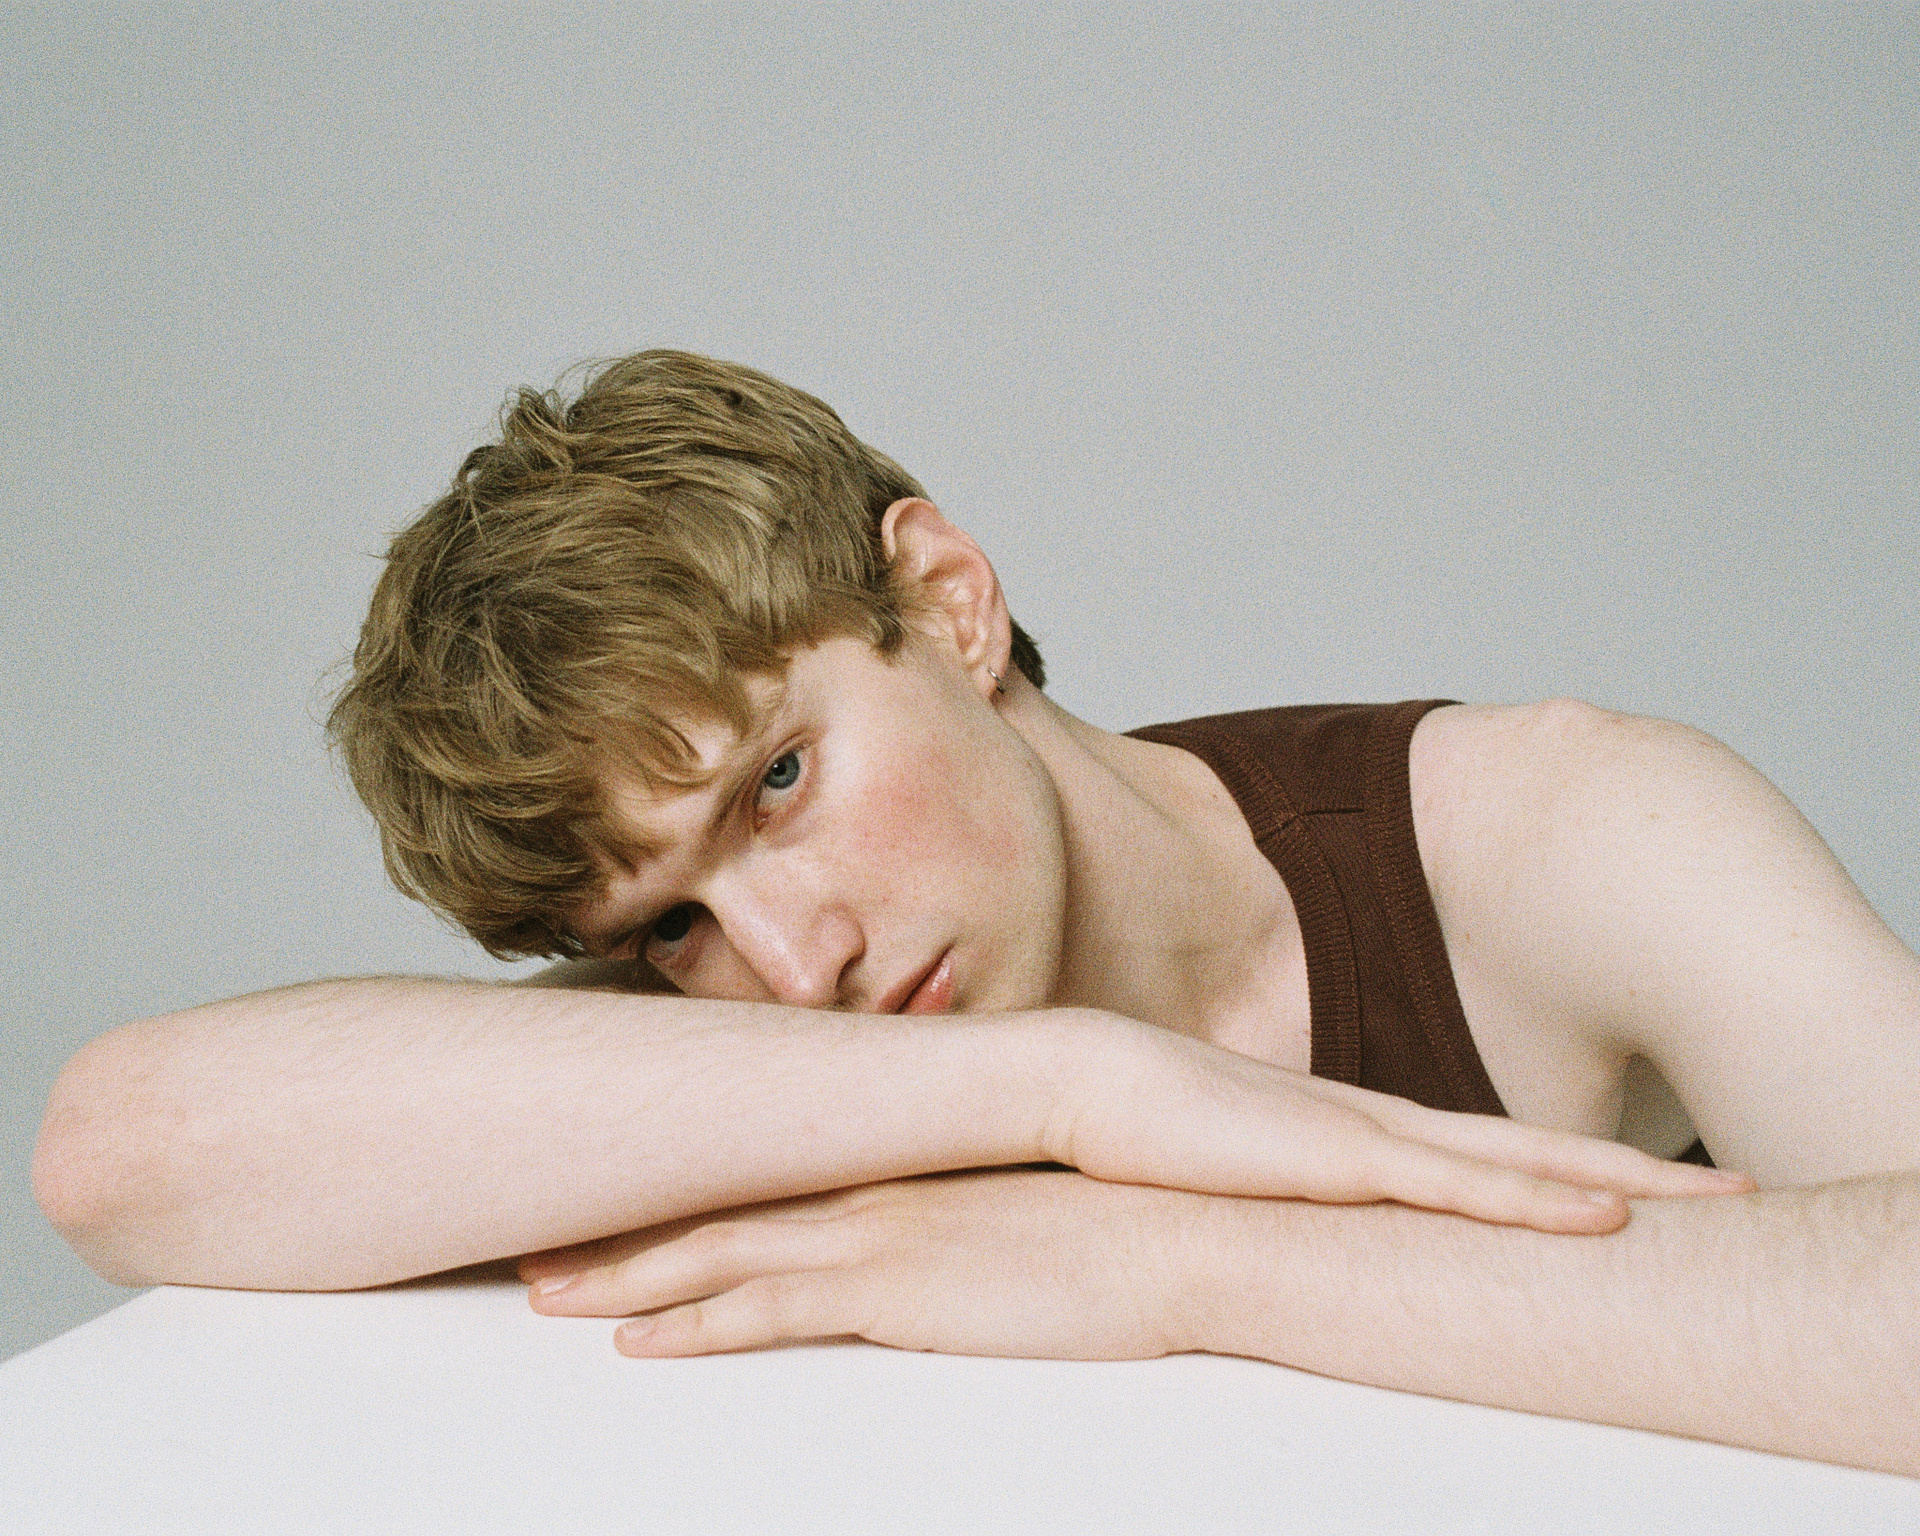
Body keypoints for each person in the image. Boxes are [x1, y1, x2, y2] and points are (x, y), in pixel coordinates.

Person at [34, 351, 1919, 1477]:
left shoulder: (1560, 829)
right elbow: (125, 1150)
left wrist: (1183, 1257)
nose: (796, 965)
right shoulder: (767, 1028)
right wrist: (1068, 1086)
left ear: (946, 601)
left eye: (780, 781)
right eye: (666, 927)